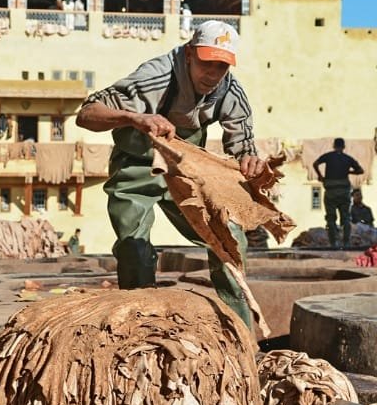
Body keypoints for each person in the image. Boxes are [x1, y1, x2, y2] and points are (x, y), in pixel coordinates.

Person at [76, 20, 265, 329]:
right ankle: (139, 330)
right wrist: (134, 118)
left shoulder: (230, 90)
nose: (212, 74)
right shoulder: (155, 77)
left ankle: (240, 332)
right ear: (190, 53)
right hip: (138, 164)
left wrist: (250, 161)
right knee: (134, 247)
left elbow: (242, 145)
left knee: (228, 237)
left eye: (222, 66)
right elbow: (86, 114)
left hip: (185, 168)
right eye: (207, 63)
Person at [313, 138, 364, 248]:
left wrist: (320, 176)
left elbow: (315, 163)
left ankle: (334, 243)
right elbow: (360, 171)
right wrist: (349, 171)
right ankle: (346, 243)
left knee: (331, 218)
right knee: (346, 218)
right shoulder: (348, 158)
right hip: (344, 191)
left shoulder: (328, 156)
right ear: (344, 146)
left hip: (330, 190)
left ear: (334, 146)